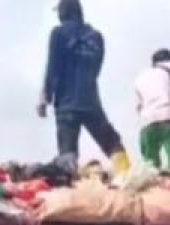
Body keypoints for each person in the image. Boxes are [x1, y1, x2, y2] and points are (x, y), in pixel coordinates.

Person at [38, 0, 130, 173]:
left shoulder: (58, 33)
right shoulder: (96, 37)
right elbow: (96, 69)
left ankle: (69, 180)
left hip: (66, 103)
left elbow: (53, 66)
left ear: (63, 12)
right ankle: (127, 173)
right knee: (111, 142)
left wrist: (45, 97)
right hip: (90, 101)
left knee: (67, 150)